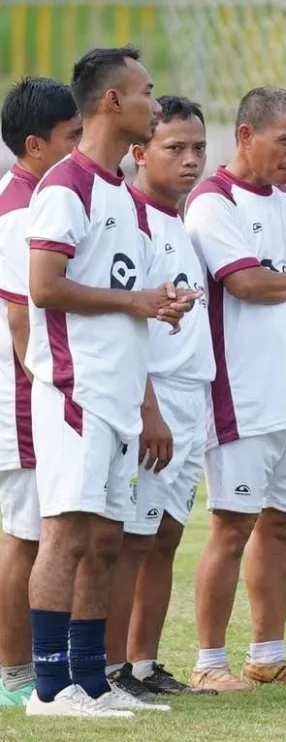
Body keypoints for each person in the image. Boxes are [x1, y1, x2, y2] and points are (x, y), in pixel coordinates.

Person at [23, 47, 197, 719]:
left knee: (103, 540)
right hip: (77, 391)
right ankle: (47, 689)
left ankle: (91, 682)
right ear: (112, 102)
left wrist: (161, 302)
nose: (157, 103)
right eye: (148, 92)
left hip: (121, 395)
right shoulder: (66, 185)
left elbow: (134, 290)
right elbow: (44, 287)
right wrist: (134, 303)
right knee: (66, 535)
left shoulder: (123, 194)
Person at [185, 86, 286, 691]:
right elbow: (245, 284)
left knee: (280, 526)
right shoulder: (213, 201)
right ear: (246, 136)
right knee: (231, 527)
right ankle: (208, 664)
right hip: (240, 396)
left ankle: (267, 656)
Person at [99, 96, 218, 699]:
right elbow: (128, 329)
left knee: (165, 536)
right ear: (140, 153)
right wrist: (149, 411)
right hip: (155, 401)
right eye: (175, 148)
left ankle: (143, 663)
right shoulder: (131, 219)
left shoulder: (181, 219)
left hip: (192, 398)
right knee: (131, 538)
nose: (191, 159)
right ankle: (112, 667)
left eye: (198, 147)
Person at [0, 77, 81, 707]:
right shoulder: (22, 210)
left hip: (40, 385)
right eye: (71, 138)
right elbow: (22, 316)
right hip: (25, 391)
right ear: (35, 144)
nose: (82, 148)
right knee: (25, 533)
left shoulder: (41, 196)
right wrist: (48, 391)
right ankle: (14, 671)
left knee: (36, 531)